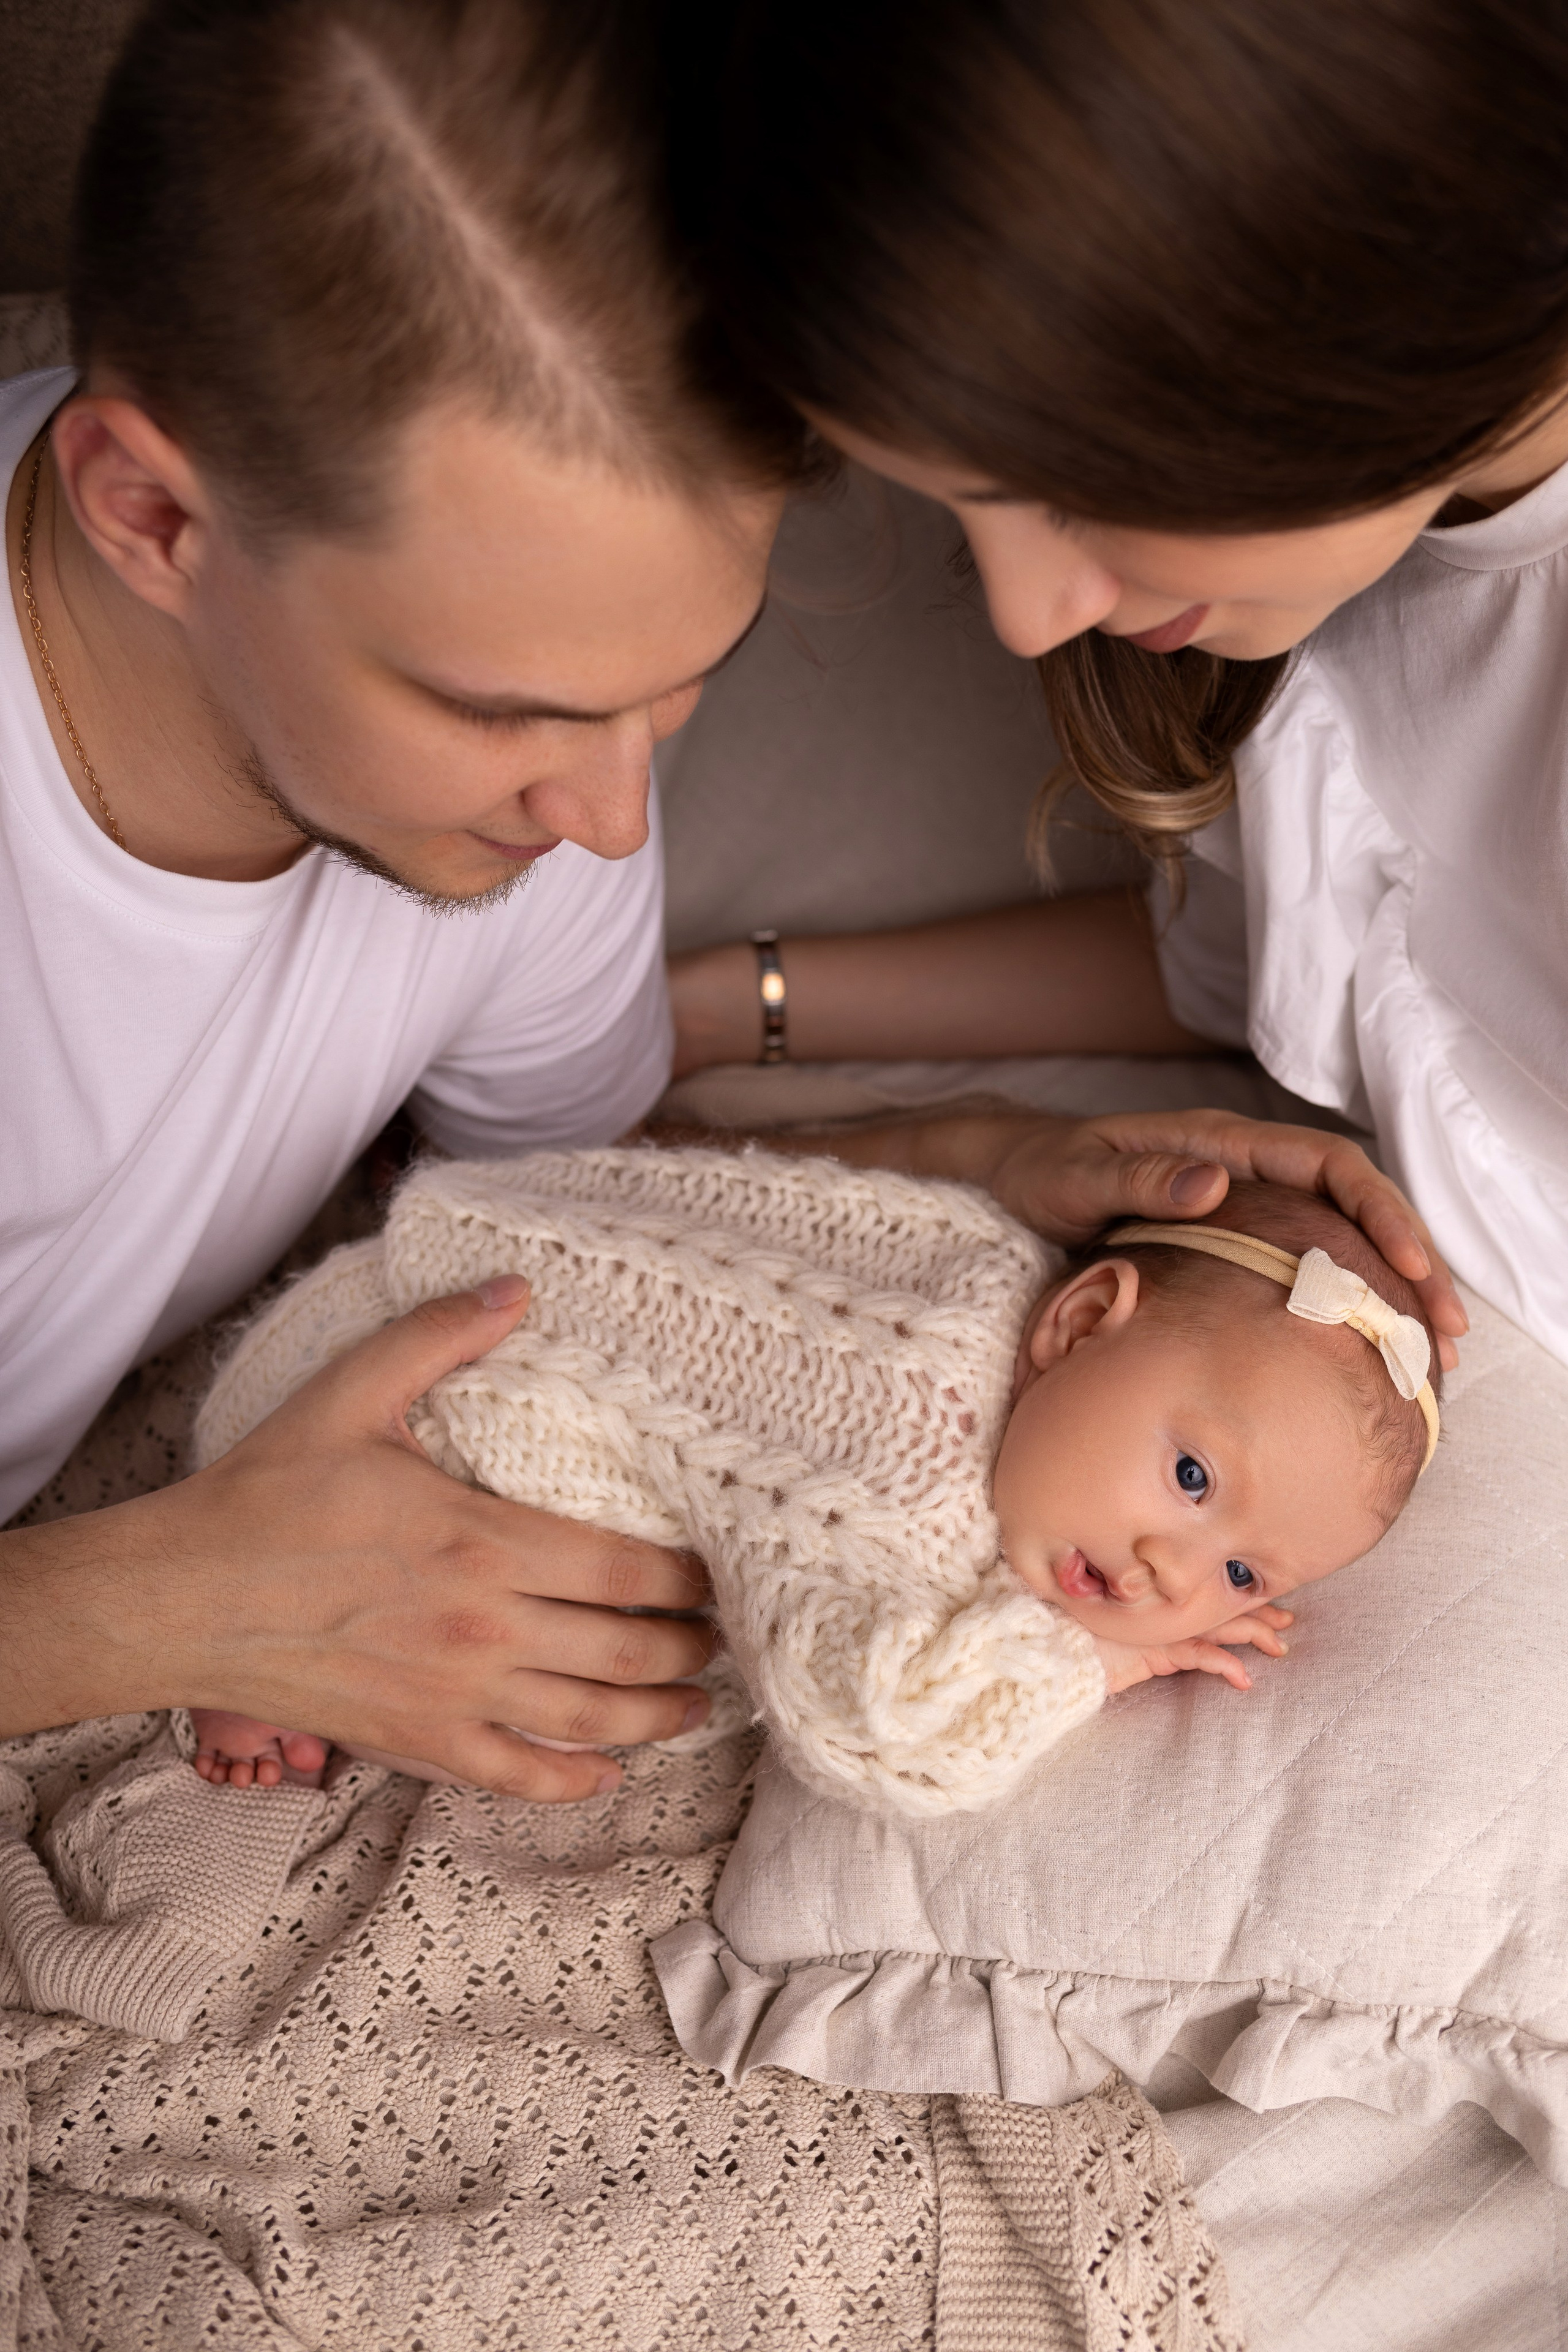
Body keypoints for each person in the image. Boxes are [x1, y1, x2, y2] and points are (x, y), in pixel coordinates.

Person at [0, 0, 1450, 1801]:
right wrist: (163, 1603)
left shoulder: (516, 794)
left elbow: (587, 1195)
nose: (609, 823)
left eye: (676, 689)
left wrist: (979, 1161)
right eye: (506, 710)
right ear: (148, 513)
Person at [673, 0, 1568, 1371]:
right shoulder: (1332, 574)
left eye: (1073, 491)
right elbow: (1259, 965)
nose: (1027, 620)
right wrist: (718, 1007)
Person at [181, 1148, 1433, 1814]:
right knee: (533, 1675)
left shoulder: (982, 1268)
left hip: (368, 1300)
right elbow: (880, 1731)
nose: (1170, 1566)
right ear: (1085, 1313)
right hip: (341, 1440)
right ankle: (238, 1644)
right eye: (1192, 1473)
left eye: (1238, 1573)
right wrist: (1089, 1664)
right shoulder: (909, 1473)